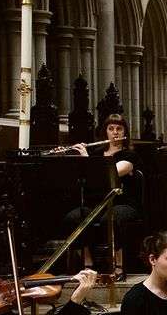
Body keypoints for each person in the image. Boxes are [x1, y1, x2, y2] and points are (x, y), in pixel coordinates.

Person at [60, 113, 141, 280]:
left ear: (125, 131)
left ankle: (118, 265)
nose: (115, 132)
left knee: (109, 220)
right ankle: (88, 263)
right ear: (106, 132)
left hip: (123, 203)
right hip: (97, 204)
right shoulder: (96, 153)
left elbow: (111, 174)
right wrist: (61, 158)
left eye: (119, 128)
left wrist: (85, 158)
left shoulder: (129, 156)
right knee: (71, 219)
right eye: (111, 129)